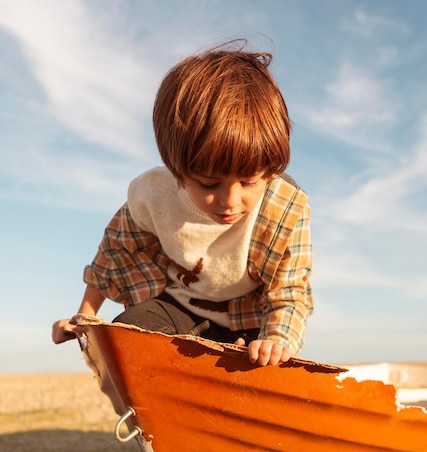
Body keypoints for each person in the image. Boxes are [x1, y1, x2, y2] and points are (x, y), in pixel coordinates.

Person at [52, 41, 313, 367]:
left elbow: (289, 290)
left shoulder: (285, 208)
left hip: (248, 320)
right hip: (178, 310)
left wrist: (277, 340)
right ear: (178, 171)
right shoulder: (154, 196)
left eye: (248, 182)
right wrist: (84, 316)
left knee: (254, 367)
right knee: (130, 335)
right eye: (208, 184)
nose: (229, 201)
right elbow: (114, 253)